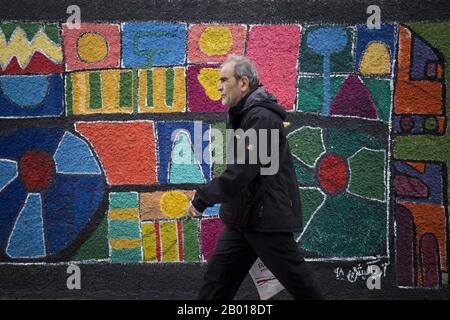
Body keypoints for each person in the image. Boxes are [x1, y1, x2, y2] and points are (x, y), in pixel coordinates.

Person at [186, 55, 323, 300]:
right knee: (215, 285)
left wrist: (203, 198)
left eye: (224, 79)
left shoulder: (262, 118)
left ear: (244, 83)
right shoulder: (244, 115)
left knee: (303, 288)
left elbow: (243, 170)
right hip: (243, 220)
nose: (218, 86)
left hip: (267, 220)